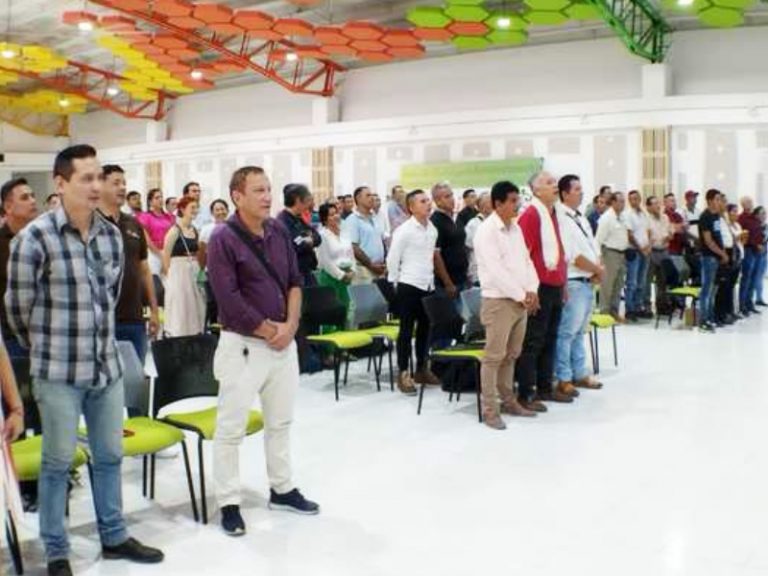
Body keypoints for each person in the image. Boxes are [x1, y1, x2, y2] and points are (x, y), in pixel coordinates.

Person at [6, 145, 163, 576]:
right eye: (86, 178)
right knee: (57, 463)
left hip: (105, 369)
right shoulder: (34, 239)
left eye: (99, 177)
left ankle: (113, 534)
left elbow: (108, 299)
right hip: (58, 373)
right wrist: (47, 348)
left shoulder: (110, 235)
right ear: (60, 183)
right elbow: (17, 310)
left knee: (109, 455)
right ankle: (57, 550)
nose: (96, 186)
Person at [207, 165, 319, 538]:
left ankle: (282, 488)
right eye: (258, 190)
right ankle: (228, 501)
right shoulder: (223, 238)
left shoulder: (277, 231)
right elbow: (228, 298)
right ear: (237, 196)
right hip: (242, 347)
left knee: (280, 422)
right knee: (231, 428)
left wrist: (290, 326)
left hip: (282, 345)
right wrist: (270, 330)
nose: (267, 196)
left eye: (269, 189)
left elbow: (294, 282)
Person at [474, 181, 539, 429]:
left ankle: (509, 401)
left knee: (511, 355)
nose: (517, 205)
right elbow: (496, 271)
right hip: (498, 301)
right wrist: (521, 295)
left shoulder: (515, 228)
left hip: (520, 300)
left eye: (517, 200)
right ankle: (490, 410)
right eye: (512, 201)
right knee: (493, 358)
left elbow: (526, 261)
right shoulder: (486, 231)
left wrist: (532, 289)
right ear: (497, 203)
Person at [516, 171, 570, 413]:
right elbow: (522, 255)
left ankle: (545, 387)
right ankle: (525, 393)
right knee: (533, 342)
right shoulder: (531, 214)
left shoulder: (552, 213)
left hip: (554, 284)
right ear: (536, 190)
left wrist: (563, 283)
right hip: (538, 287)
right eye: (549, 183)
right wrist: (529, 290)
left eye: (554, 181)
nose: (555, 185)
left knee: (550, 338)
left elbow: (558, 252)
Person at [99, 165, 159, 364]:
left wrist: (154, 311)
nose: (122, 188)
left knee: (136, 376)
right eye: (116, 183)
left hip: (134, 317)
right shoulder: (91, 224)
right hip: (102, 321)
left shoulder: (133, 224)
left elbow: (144, 269)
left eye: (124, 183)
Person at [387, 190, 441, 395]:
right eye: (422, 201)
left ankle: (421, 369)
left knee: (425, 329)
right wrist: (394, 283)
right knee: (406, 330)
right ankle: (403, 373)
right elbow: (393, 258)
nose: (428, 204)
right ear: (411, 207)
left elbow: (430, 258)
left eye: (428, 200)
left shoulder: (432, 229)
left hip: (427, 284)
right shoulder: (404, 230)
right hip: (408, 284)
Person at [554, 175, 604, 400]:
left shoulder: (580, 217)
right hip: (574, 280)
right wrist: (597, 269)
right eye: (576, 189)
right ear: (565, 193)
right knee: (567, 333)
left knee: (579, 332)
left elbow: (593, 245)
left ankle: (580, 373)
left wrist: (597, 268)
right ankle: (563, 377)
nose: (581, 193)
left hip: (588, 280)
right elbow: (572, 255)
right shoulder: (561, 218)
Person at [0, 178, 38, 358]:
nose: (32, 201)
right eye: (25, 197)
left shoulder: (42, 240)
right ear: (8, 207)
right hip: (10, 339)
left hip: (44, 336)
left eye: (33, 196)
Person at [162, 196, 206, 337]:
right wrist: (169, 277)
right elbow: (166, 254)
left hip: (193, 270)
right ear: (182, 209)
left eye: (196, 207)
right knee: (180, 306)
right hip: (178, 271)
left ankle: (194, 335)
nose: (195, 210)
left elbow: (199, 252)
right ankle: (178, 335)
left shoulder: (195, 230)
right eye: (192, 207)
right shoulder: (174, 230)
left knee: (195, 305)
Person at [316, 202, 354, 326]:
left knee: (347, 309)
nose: (336, 216)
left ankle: (346, 334)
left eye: (336, 213)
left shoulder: (344, 232)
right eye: (331, 215)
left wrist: (352, 270)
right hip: (331, 276)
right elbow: (325, 261)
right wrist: (341, 275)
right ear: (324, 219)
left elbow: (351, 254)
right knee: (332, 311)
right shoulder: (322, 235)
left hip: (347, 275)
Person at [697, 189, 729, 332]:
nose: (719, 202)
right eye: (717, 199)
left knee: (712, 290)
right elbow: (708, 241)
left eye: (720, 199)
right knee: (706, 290)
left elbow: (718, 236)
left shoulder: (716, 216)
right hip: (708, 257)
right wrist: (722, 253)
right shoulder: (705, 217)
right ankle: (703, 321)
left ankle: (710, 318)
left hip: (716, 257)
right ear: (709, 201)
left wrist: (722, 253)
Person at [277, 184, 322, 286]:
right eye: (307, 200)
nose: (309, 204)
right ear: (298, 200)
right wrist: (307, 240)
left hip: (308, 272)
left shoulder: (299, 219)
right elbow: (297, 245)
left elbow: (317, 237)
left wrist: (308, 240)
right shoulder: (282, 222)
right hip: (295, 275)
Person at [596, 192, 630, 321]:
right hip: (610, 253)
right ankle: (604, 312)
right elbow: (598, 240)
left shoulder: (622, 217)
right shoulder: (606, 218)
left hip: (622, 254)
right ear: (613, 202)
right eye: (620, 201)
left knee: (618, 284)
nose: (623, 204)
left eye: (623, 201)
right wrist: (599, 258)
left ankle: (614, 311)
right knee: (607, 284)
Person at [431, 182, 468, 298]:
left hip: (462, 277)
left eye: (451, 195)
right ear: (437, 201)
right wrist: (447, 283)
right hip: (447, 282)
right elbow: (436, 255)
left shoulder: (457, 217)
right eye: (447, 197)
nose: (452, 199)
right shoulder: (435, 221)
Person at [342, 186, 386, 283]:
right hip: (363, 270)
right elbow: (353, 246)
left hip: (379, 268)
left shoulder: (375, 217)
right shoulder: (352, 220)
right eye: (368, 195)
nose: (372, 198)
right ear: (358, 199)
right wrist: (371, 265)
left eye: (372, 195)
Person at [624, 190, 652, 321]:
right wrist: (641, 249)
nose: (634, 201)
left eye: (636, 198)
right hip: (634, 251)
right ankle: (629, 309)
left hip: (645, 251)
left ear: (640, 199)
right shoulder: (628, 214)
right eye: (631, 199)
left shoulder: (644, 214)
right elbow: (629, 235)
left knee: (642, 282)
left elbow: (648, 231)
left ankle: (638, 306)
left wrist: (648, 246)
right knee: (632, 282)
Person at [137, 188, 175, 278]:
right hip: (153, 253)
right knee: (155, 280)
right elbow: (147, 240)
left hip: (169, 253)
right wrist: (160, 254)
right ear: (150, 202)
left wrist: (166, 254)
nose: (160, 199)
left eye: (161, 197)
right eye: (157, 198)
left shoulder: (170, 217)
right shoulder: (144, 217)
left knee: (169, 281)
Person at [714, 201, 741, 325]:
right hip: (723, 254)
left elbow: (730, 237)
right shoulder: (716, 220)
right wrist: (723, 253)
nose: (723, 205)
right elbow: (718, 239)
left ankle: (727, 312)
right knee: (722, 287)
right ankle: (719, 315)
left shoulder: (724, 220)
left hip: (732, 254)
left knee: (729, 287)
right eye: (722, 202)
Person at [646, 195, 672, 314]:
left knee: (663, 281)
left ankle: (662, 306)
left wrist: (669, 236)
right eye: (654, 204)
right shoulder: (646, 219)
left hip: (664, 251)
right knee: (647, 280)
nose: (658, 206)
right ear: (649, 207)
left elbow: (669, 232)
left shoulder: (665, 217)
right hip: (652, 252)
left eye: (658, 203)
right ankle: (646, 306)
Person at [738, 199, 763, 316]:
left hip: (758, 251)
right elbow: (744, 236)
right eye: (748, 202)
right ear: (743, 205)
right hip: (748, 250)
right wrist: (755, 244)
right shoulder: (741, 218)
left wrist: (761, 244)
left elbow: (759, 233)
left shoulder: (755, 218)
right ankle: (742, 305)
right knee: (746, 278)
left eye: (751, 202)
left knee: (754, 278)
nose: (751, 204)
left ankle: (750, 303)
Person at [465, 192, 492, 286]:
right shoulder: (473, 224)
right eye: (490, 202)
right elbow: (467, 248)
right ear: (481, 208)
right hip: (480, 273)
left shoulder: (497, 222)